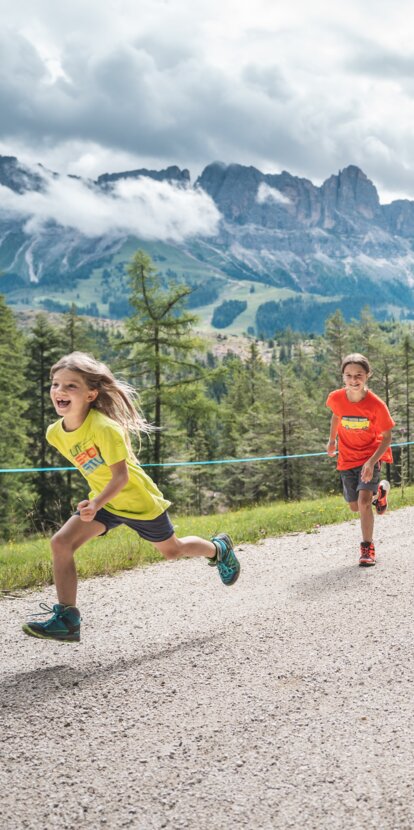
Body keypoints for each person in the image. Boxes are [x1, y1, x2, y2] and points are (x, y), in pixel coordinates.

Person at [23, 352, 240, 642]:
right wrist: (96, 503)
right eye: (55, 384)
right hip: (105, 503)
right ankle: (67, 618)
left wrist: (96, 503)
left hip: (138, 503)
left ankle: (219, 549)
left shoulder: (105, 428)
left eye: (70, 386)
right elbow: (93, 468)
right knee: (61, 543)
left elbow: (121, 477)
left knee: (172, 550)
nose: (60, 391)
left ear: (91, 394)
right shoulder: (55, 433)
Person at [326, 352, 395, 567]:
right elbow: (336, 416)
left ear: (367, 375)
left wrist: (372, 462)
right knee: (355, 506)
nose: (353, 380)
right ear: (343, 377)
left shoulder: (376, 405)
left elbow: (387, 437)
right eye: (349, 375)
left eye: (359, 375)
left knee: (364, 504)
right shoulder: (335, 398)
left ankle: (367, 548)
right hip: (347, 458)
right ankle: (380, 495)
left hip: (370, 457)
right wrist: (332, 441)